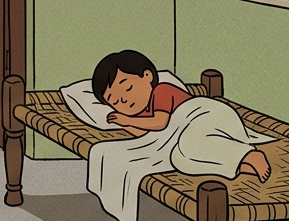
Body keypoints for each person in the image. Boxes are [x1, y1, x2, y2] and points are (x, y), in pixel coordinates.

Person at [91, 49, 270, 181]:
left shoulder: (161, 91)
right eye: (115, 101)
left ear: (147, 76)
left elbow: (161, 122)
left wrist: (129, 120)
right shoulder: (141, 115)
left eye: (128, 88)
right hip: (189, 133)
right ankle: (244, 165)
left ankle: (251, 155)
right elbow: (152, 138)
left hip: (206, 115)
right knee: (180, 159)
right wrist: (128, 125)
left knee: (190, 144)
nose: (125, 100)